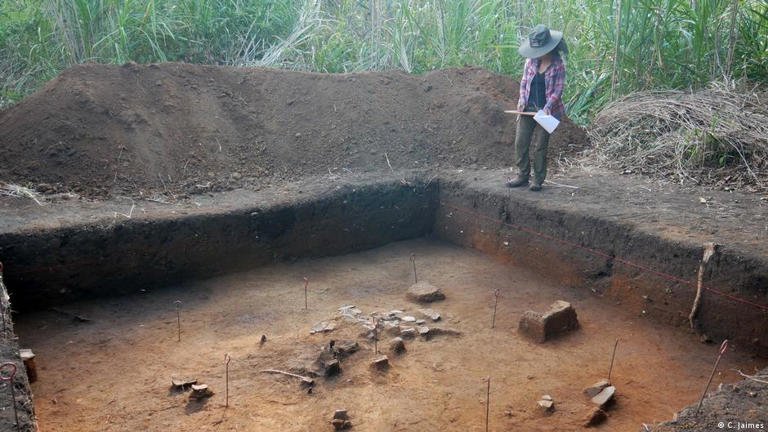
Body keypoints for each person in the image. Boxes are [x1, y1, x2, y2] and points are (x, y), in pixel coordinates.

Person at [506, 24, 567, 192]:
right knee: (521, 142)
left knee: (540, 146)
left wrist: (547, 107)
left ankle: (538, 179)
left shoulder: (558, 64)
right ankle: (522, 175)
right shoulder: (530, 61)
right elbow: (524, 82)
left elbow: (558, 90)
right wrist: (521, 100)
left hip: (548, 111)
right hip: (528, 107)